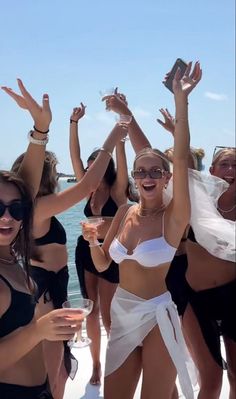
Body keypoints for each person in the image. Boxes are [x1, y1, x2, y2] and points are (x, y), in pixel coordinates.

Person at [82, 62, 202, 399]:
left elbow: (179, 157)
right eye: (140, 172)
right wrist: (93, 240)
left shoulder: (174, 216)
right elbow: (105, 265)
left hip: (157, 312)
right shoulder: (123, 211)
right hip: (122, 311)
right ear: (134, 178)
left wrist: (182, 101)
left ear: (165, 179)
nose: (147, 177)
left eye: (154, 171)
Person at [4, 86, 128, 398]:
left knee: (57, 366)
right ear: (47, 175)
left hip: (51, 283)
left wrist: (47, 127)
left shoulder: (30, 209)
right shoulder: (37, 208)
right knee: (54, 370)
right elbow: (86, 181)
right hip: (45, 286)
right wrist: (112, 139)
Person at [0, 80, 83, 399]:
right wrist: (38, 331)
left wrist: (41, 129)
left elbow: (26, 188)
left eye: (16, 209)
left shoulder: (11, 257)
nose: (7, 217)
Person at [69, 102, 130, 385]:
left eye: (98, 163)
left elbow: (120, 155)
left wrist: (119, 135)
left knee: (107, 316)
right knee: (90, 310)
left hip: (108, 254)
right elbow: (75, 156)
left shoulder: (118, 189)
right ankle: (95, 365)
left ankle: (113, 364)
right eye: (91, 164)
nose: (92, 167)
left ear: (106, 165)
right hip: (85, 252)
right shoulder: (87, 190)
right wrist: (74, 123)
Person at [181, 146, 236, 399]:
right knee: (211, 381)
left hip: (233, 298)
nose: (230, 170)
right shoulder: (198, 205)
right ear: (211, 171)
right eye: (225, 164)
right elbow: (182, 161)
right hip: (196, 300)